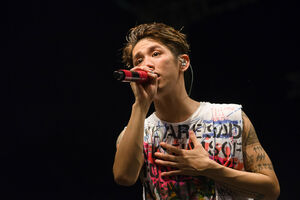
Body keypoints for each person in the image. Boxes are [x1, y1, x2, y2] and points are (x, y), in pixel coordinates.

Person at [113, 22, 280, 200]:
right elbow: (124, 177)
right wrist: (140, 105)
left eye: (155, 54)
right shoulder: (134, 133)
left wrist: (211, 169)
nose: (147, 64)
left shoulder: (231, 117)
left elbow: (271, 190)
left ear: (183, 62)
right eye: (139, 60)